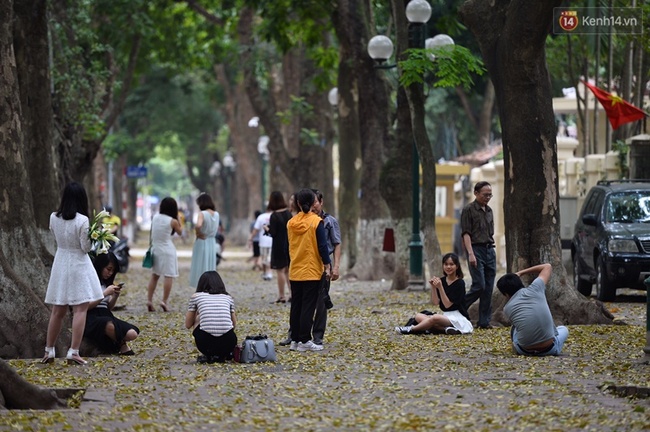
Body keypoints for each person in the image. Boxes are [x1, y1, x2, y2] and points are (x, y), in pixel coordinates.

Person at [41, 182, 104, 365]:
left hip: (61, 263)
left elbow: (56, 237)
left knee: (57, 310)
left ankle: (49, 349)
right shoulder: (83, 220)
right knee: (80, 309)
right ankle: (73, 351)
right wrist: (95, 238)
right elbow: (85, 247)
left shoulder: (53, 217)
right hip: (78, 265)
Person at [287, 189, 331, 352]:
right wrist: (327, 265)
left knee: (296, 306)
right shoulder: (316, 222)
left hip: (295, 270)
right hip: (311, 270)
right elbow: (322, 246)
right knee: (308, 306)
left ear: (297, 203)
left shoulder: (291, 223)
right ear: (313, 203)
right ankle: (305, 340)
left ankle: (295, 340)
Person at [497, 263, 569, 356]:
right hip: (550, 349)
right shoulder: (536, 288)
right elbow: (547, 266)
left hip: (524, 350)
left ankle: (516, 345)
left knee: (515, 328)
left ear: (506, 294)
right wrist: (520, 273)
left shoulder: (507, 309)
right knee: (563, 329)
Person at [395, 253, 473, 335]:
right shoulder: (442, 280)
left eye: (451, 264)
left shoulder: (460, 283)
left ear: (457, 266)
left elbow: (447, 305)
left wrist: (440, 287)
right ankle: (444, 329)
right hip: (446, 316)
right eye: (446, 264)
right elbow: (435, 303)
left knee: (435, 318)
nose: (448, 267)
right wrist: (433, 287)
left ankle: (411, 329)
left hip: (458, 317)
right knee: (418, 316)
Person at [84, 252, 140, 355]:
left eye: (113, 271)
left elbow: (108, 307)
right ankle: (122, 345)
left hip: (106, 314)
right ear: (100, 266)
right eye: (108, 269)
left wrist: (115, 295)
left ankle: (116, 343)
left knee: (132, 333)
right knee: (108, 325)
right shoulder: (89, 281)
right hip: (91, 316)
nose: (110, 273)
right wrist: (104, 294)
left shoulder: (107, 283)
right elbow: (85, 307)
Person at [461, 181, 497, 329]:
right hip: (476, 250)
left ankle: (484, 321)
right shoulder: (468, 210)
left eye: (490, 195)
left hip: (490, 250)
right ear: (476, 193)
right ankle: (459, 306)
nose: (488, 197)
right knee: (479, 285)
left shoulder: (489, 211)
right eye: (485, 195)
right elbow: (466, 233)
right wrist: (471, 254)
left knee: (488, 288)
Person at [185, 271, 237, 363]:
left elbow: (188, 324)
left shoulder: (196, 297)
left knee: (199, 318)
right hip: (229, 343)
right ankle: (222, 354)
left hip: (205, 344)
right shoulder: (228, 298)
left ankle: (208, 354)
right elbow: (234, 324)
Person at [311, 189, 341, 346]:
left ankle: (318, 335)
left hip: (324, 265)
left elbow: (336, 244)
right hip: (307, 264)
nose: (313, 206)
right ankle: (298, 334)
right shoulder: (304, 220)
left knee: (321, 302)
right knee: (303, 301)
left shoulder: (330, 221)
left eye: (315, 202)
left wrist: (335, 266)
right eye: (310, 202)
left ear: (321, 202)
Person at [146, 197, 183, 312]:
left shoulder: (155, 218)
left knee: (155, 275)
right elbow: (180, 232)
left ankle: (149, 300)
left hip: (156, 249)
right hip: (167, 250)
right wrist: (178, 218)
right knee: (168, 275)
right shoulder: (173, 221)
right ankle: (164, 301)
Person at [188, 193, 220, 288]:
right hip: (211, 241)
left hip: (202, 241)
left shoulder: (202, 214)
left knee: (201, 264)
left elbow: (198, 225)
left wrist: (198, 233)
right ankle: (210, 285)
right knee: (210, 264)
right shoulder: (216, 214)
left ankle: (201, 286)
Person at [267, 191, 292, 303]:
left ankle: (281, 296)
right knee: (288, 270)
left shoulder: (274, 216)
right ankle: (292, 294)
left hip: (278, 245)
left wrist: (266, 228)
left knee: (280, 271)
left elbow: (273, 232)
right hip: (289, 244)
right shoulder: (288, 213)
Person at [249, 207, 273, 281]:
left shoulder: (261, 217)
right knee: (270, 258)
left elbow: (256, 229)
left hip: (263, 241)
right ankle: (270, 272)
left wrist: (251, 238)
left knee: (264, 258)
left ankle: (265, 272)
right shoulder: (274, 215)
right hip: (273, 240)